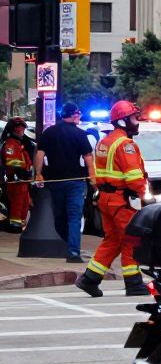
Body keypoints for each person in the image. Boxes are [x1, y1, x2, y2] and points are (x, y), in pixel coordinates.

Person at [76, 101, 148, 297]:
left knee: (113, 240)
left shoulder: (104, 142)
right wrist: (145, 197)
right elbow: (134, 178)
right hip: (121, 201)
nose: (137, 121)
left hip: (106, 199)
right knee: (131, 239)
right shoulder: (126, 145)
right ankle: (133, 283)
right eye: (134, 118)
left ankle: (89, 279)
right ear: (123, 121)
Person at [33, 103, 95, 262]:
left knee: (59, 215)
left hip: (54, 181)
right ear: (74, 115)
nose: (79, 117)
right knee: (74, 217)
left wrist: (38, 174)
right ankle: (73, 252)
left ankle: (64, 246)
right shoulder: (80, 134)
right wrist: (93, 178)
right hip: (75, 181)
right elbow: (88, 158)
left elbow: (40, 154)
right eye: (79, 114)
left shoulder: (49, 132)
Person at [2, 118, 34, 232]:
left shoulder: (20, 144)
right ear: (15, 128)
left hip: (23, 181)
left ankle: (19, 225)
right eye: (20, 128)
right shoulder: (11, 144)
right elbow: (12, 162)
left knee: (24, 205)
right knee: (17, 205)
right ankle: (14, 227)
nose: (22, 130)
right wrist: (22, 173)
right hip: (16, 181)